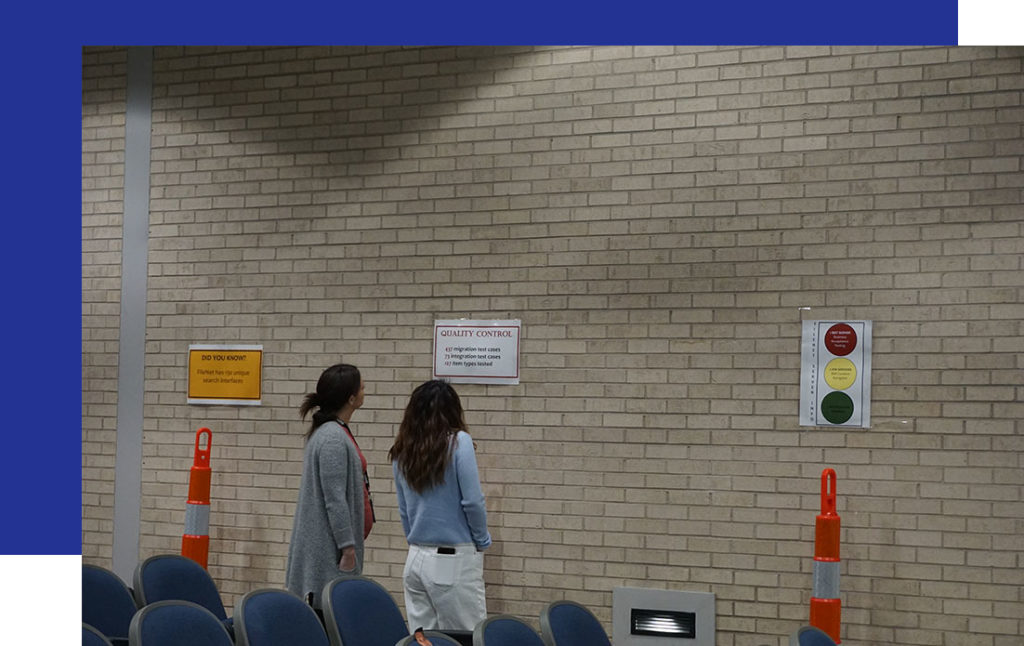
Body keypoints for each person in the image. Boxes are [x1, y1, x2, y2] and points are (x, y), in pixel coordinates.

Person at [389, 380, 491, 632]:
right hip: (452, 556)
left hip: (415, 557)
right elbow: (473, 502)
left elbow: (404, 509)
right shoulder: (459, 442)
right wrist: (481, 540)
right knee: (468, 636)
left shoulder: (402, 450)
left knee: (424, 638)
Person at [286, 363, 375, 609]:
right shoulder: (332, 438)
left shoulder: (333, 432)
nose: (365, 391)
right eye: (362, 388)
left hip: (332, 550)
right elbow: (334, 498)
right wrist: (347, 549)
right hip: (330, 554)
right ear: (351, 398)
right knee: (330, 619)